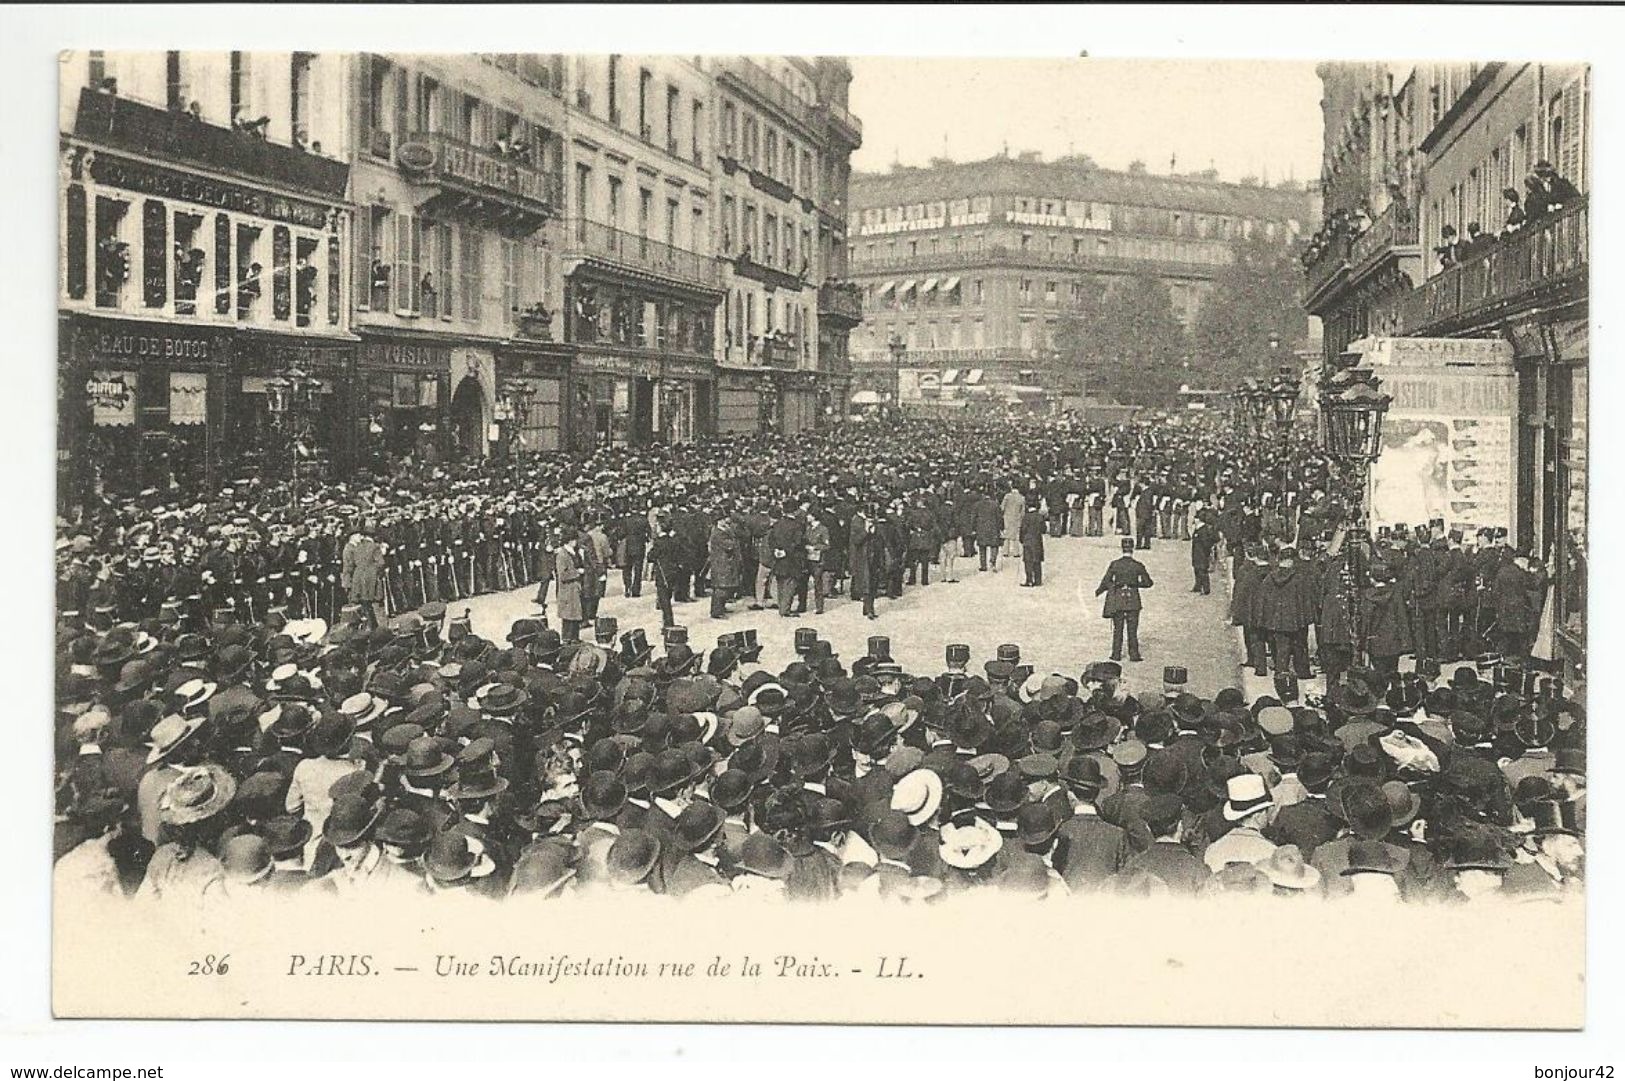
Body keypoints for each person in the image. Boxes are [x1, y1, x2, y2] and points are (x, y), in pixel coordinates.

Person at [1096, 538, 1154, 663]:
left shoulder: (1115, 564)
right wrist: (1135, 585)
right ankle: (1134, 654)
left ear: (1122, 548)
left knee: (1118, 629)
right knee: (1132, 630)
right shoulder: (1138, 565)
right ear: (1132, 549)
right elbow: (1148, 583)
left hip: (1119, 599)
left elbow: (1106, 581)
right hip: (1133, 599)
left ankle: (1116, 654)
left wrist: (1100, 590)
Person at [339, 524, 386, 630]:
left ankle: (373, 626)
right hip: (365, 578)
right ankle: (374, 626)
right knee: (370, 603)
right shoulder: (350, 549)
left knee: (367, 603)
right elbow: (347, 567)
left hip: (362, 578)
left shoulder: (359, 547)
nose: (361, 537)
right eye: (358, 535)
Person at [1019, 497, 1046, 587]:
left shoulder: (1026, 517)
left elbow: (1023, 529)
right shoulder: (1039, 516)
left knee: (1028, 561)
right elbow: (1044, 529)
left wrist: (1021, 539)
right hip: (1037, 541)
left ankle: (1029, 580)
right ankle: (1038, 580)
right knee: (1037, 561)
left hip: (1027, 540)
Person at [1190, 514, 1217, 595]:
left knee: (1202, 570)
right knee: (1197, 569)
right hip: (1197, 553)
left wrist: (1206, 552)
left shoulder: (1203, 530)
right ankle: (1197, 586)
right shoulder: (1198, 529)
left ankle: (1206, 588)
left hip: (1202, 554)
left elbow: (1206, 543)